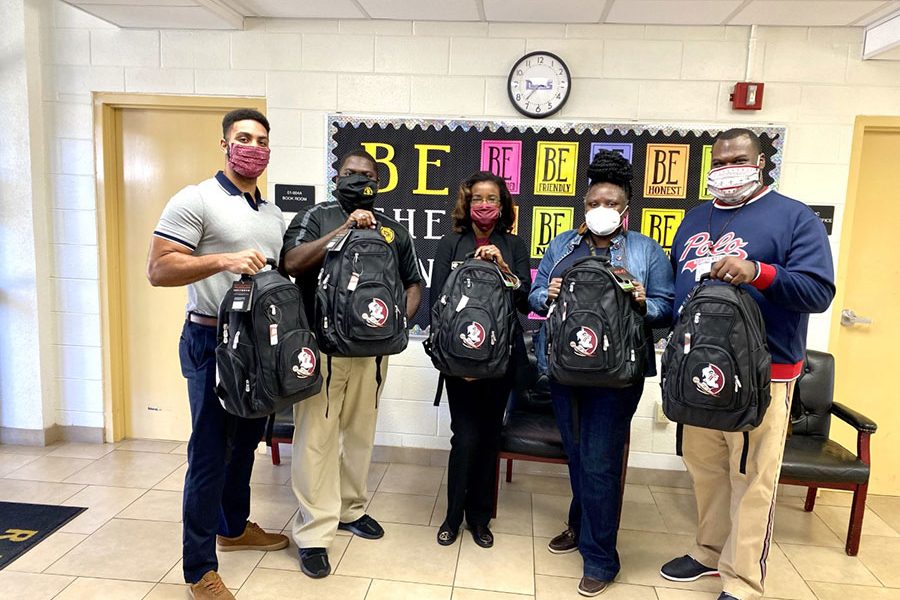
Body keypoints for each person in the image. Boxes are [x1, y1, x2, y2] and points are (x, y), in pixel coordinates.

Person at [659, 128, 835, 600]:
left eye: (737, 158)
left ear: (760, 162)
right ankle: (708, 552)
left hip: (764, 374)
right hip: (698, 371)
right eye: (718, 161)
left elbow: (818, 291)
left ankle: (742, 580)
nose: (725, 168)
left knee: (753, 477)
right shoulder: (694, 219)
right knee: (706, 466)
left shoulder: (795, 218)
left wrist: (760, 272)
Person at [147, 108, 289, 600]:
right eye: (243, 138)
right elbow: (160, 269)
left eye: (262, 139)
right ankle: (198, 570)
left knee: (245, 443)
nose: (254, 147)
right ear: (225, 144)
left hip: (258, 347)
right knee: (209, 453)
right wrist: (223, 260)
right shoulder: (195, 199)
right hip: (211, 340)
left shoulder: (271, 214)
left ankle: (233, 527)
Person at [529, 150, 674, 597]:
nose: (601, 210)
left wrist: (639, 300)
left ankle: (600, 558)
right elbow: (535, 298)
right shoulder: (562, 246)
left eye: (610, 204)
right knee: (578, 455)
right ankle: (580, 525)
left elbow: (665, 309)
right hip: (564, 367)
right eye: (594, 203)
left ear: (624, 211)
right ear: (584, 207)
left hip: (617, 375)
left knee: (600, 461)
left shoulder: (645, 250)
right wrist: (546, 293)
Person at [282, 149, 423, 578]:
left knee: (360, 436)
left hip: (373, 354)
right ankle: (313, 532)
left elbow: (413, 282)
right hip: (321, 350)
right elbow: (291, 263)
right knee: (316, 440)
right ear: (336, 176)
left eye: (366, 175)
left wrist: (397, 323)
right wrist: (343, 228)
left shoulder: (394, 231)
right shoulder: (315, 217)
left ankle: (350, 509)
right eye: (350, 173)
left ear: (378, 182)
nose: (358, 180)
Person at [430, 171, 532, 549]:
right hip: (460, 364)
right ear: (467, 204)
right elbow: (437, 301)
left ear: (503, 205)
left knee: (489, 437)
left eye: (492, 199)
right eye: (477, 199)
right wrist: (454, 361)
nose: (485, 205)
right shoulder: (451, 243)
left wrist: (503, 266)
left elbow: (524, 300)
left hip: (501, 361)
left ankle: (480, 518)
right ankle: (452, 515)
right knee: (464, 437)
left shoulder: (515, 244)